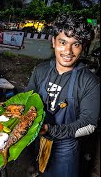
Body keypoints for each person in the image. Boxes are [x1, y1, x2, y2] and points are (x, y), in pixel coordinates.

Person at [25, 13, 100, 177]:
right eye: (63, 42)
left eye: (76, 44)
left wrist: (49, 129)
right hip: (40, 142)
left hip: (65, 149)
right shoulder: (41, 70)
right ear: (53, 42)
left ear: (83, 46)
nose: (68, 51)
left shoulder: (89, 81)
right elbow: (27, 99)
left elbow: (89, 124)